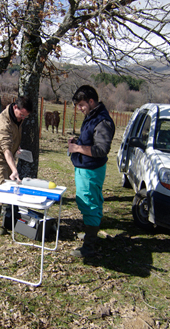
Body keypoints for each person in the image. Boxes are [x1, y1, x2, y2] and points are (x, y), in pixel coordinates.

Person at [67, 85, 115, 258]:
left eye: (81, 105)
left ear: (91, 101)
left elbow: (101, 150)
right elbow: (91, 140)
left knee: (90, 205)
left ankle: (89, 246)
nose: (79, 109)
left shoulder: (102, 121)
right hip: (85, 168)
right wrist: (78, 142)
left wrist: (78, 148)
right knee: (88, 202)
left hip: (91, 171)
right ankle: (90, 234)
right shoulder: (92, 116)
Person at [0, 96, 33, 235]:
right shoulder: (3, 123)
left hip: (8, 154)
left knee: (9, 187)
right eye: (22, 114)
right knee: (0, 187)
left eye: (26, 116)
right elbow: (5, 149)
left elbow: (11, 139)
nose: (23, 118)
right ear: (15, 107)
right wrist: (14, 170)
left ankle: (9, 216)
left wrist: (16, 146)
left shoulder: (17, 117)